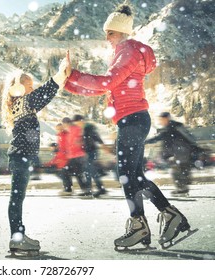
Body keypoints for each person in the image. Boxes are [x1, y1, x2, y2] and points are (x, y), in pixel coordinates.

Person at [64, 3, 192, 249]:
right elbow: (104, 87)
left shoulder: (128, 50)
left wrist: (75, 75)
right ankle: (158, 219)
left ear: (121, 31)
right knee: (133, 175)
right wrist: (68, 82)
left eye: (109, 32)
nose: (107, 37)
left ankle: (146, 222)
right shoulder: (125, 52)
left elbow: (106, 82)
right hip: (132, 120)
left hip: (133, 120)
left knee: (127, 175)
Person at [1, 55, 69, 254]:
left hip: (21, 156)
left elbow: (42, 94)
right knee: (16, 198)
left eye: (32, 86)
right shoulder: (23, 102)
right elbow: (44, 93)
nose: (32, 89)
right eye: (28, 86)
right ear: (19, 88)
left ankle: (18, 236)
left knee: (17, 198)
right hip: (20, 156)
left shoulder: (21, 104)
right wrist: (60, 75)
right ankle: (17, 238)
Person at [145, 112, 200, 196]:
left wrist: (194, 147)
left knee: (177, 170)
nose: (160, 121)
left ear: (167, 118)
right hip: (177, 153)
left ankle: (182, 189)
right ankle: (182, 188)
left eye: (161, 119)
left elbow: (188, 137)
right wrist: (146, 141)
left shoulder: (176, 127)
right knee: (180, 170)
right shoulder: (168, 128)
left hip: (181, 152)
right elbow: (159, 137)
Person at [59, 115, 92, 197]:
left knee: (68, 171)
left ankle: (70, 189)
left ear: (66, 123)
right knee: (76, 173)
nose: (64, 126)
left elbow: (78, 141)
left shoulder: (75, 129)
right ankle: (85, 190)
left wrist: (77, 143)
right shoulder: (70, 130)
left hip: (77, 155)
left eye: (64, 124)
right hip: (74, 156)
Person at [83, 120, 107, 197]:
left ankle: (99, 189)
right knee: (89, 171)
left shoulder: (88, 131)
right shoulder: (89, 131)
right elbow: (99, 140)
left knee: (91, 171)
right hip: (91, 152)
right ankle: (91, 189)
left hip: (91, 153)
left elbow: (98, 140)